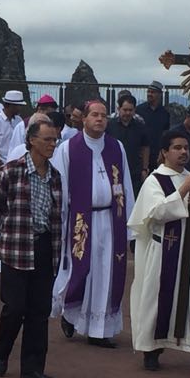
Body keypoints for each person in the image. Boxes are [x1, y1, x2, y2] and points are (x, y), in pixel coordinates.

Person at [129, 130, 190, 377]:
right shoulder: (155, 180)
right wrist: (182, 191)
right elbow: (156, 213)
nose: (183, 152)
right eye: (177, 147)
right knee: (158, 300)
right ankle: (152, 348)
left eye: (186, 148)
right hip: (164, 253)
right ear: (164, 152)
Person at [51, 98, 134, 348]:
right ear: (83, 119)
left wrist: (130, 225)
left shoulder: (116, 147)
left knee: (108, 272)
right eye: (94, 115)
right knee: (81, 271)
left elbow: (126, 184)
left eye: (103, 115)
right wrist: (61, 223)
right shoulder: (68, 149)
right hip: (80, 222)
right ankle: (70, 313)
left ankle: (101, 328)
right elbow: (60, 188)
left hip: (111, 220)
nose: (100, 119)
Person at [0, 118, 62, 378]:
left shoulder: (55, 177)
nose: (52, 144)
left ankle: (32, 367)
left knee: (39, 310)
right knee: (14, 307)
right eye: (47, 139)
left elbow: (56, 214)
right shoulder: (10, 171)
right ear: (32, 141)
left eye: (55, 140)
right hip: (17, 247)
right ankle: (3, 353)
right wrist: (9, 232)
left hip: (45, 246)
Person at [106, 95, 150, 196]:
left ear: (134, 110)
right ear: (118, 109)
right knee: (117, 201)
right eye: (125, 110)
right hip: (114, 173)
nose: (127, 113)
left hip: (134, 173)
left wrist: (144, 169)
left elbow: (145, 147)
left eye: (130, 110)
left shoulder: (140, 126)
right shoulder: (109, 126)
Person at [0, 90, 26, 168]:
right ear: (9, 105)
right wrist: (1, 164)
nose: (20, 108)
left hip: (18, 164)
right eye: (18, 106)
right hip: (2, 165)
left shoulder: (19, 120)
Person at [136, 80, 170, 168]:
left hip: (157, 154)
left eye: (153, 92)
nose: (149, 94)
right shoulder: (139, 110)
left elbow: (165, 133)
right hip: (141, 154)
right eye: (148, 92)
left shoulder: (164, 113)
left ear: (159, 94)